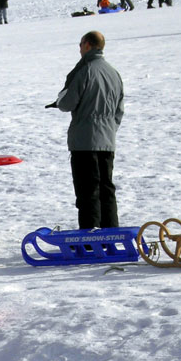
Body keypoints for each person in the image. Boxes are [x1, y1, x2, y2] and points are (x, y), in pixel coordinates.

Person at [45, 31, 124, 230]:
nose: (79, 48)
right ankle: (111, 232)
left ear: (88, 45)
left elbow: (67, 102)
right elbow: (119, 110)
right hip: (107, 140)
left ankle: (90, 236)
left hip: (84, 141)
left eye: (80, 44)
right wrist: (110, 129)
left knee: (88, 190)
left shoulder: (85, 70)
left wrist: (59, 100)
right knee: (107, 188)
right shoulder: (114, 73)